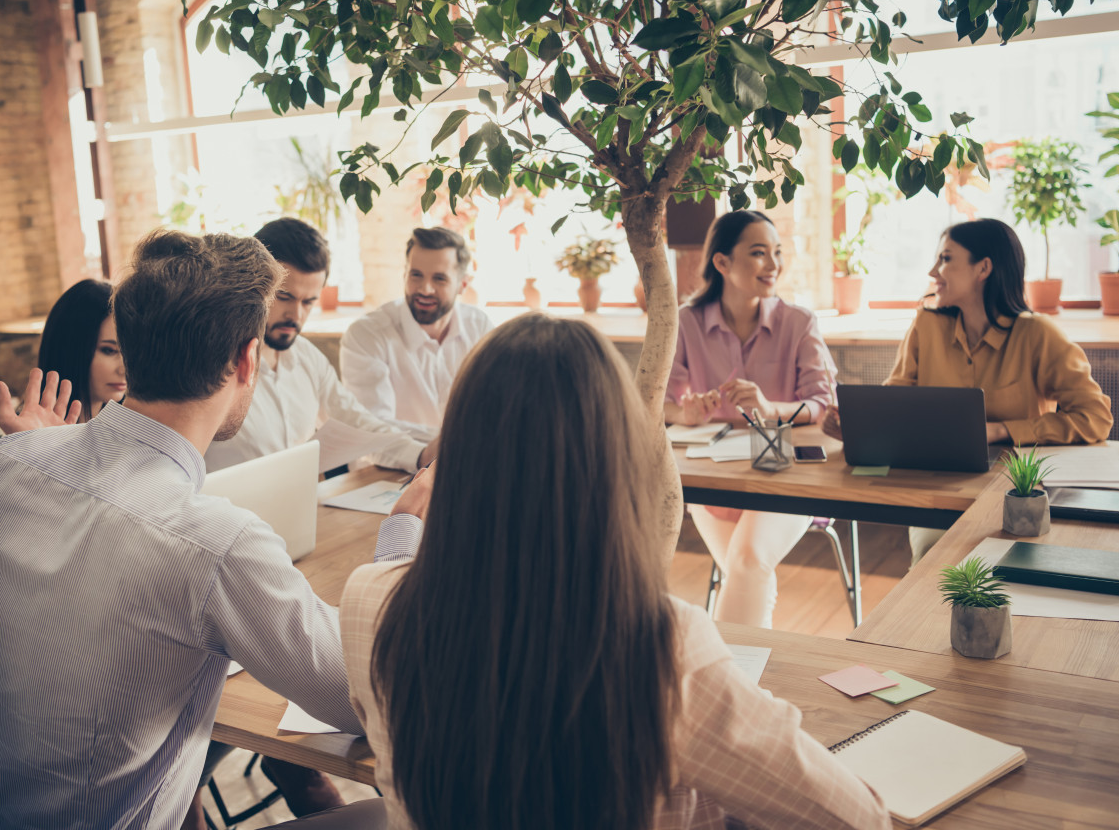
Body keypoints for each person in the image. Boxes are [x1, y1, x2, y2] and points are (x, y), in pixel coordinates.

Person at [0, 230, 422, 830]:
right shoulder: (219, 542)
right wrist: (400, 545)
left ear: (129, 351)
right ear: (247, 360)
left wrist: (13, 458)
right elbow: (373, 702)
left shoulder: (11, 461)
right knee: (391, 817)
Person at [335, 315, 890, 830]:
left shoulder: (367, 603)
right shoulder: (666, 647)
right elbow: (857, 818)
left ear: (455, 454)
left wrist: (401, 530)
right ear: (614, 462)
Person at [822, 218, 1113, 562]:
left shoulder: (1038, 334)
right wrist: (858, 431)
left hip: (1014, 492)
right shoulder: (925, 326)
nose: (933, 271)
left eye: (945, 259)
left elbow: (1095, 417)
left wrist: (1002, 430)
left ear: (983, 268)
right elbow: (895, 406)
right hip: (938, 490)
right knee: (934, 553)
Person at [663, 210, 837, 627]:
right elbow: (659, 403)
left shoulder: (799, 323)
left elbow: (823, 403)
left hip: (789, 479)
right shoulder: (685, 322)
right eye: (759, 253)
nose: (774, 265)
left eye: (776, 252)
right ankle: (736, 682)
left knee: (746, 563)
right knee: (747, 568)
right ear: (721, 262)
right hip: (716, 482)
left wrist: (771, 408)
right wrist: (683, 413)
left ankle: (726, 681)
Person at [203, 218, 433, 474]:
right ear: (253, 288)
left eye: (309, 302)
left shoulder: (307, 358)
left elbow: (358, 423)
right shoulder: (210, 364)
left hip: (301, 508)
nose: (296, 315)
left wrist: (420, 454)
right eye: (284, 297)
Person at [339, 227, 492, 442]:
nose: (425, 289)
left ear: (462, 284)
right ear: (405, 275)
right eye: (416, 275)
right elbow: (373, 426)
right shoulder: (366, 335)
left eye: (439, 279)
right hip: (388, 471)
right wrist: (457, 441)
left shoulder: (480, 327)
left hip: (464, 465)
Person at [37, 278, 128, 421]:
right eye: (109, 350)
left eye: (129, 351)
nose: (124, 369)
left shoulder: (125, 428)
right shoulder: (20, 430)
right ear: (71, 349)